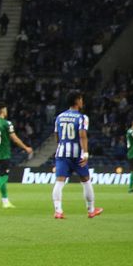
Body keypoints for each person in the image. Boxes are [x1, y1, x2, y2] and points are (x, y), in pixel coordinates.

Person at [52, 91, 103, 219]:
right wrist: (85, 153)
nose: (82, 101)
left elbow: (56, 136)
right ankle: (91, 210)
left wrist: (62, 147)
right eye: (81, 99)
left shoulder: (59, 117)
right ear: (77, 101)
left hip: (62, 153)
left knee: (59, 182)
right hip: (77, 155)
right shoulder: (82, 117)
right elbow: (82, 136)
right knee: (86, 181)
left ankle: (58, 211)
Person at [0, 101, 33, 209]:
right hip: (4, 154)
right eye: (5, 109)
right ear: (2, 110)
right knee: (4, 177)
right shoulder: (6, 123)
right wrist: (26, 147)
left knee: (0, 176)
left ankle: (5, 201)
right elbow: (15, 139)